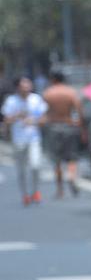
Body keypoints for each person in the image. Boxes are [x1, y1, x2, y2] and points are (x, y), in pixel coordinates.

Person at [2, 77, 48, 205]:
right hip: (18, 139)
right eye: (23, 85)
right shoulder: (11, 101)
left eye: (28, 84)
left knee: (35, 165)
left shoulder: (36, 99)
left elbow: (44, 118)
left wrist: (34, 121)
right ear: (18, 87)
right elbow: (6, 120)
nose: (26, 87)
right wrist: (17, 116)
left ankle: (36, 190)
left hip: (34, 138)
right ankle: (25, 194)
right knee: (21, 169)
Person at [42, 70, 83, 198]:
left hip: (54, 127)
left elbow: (44, 112)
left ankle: (60, 189)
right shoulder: (71, 92)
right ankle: (71, 176)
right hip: (69, 125)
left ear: (53, 79)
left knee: (57, 160)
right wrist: (81, 126)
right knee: (72, 157)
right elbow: (78, 109)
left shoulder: (48, 93)